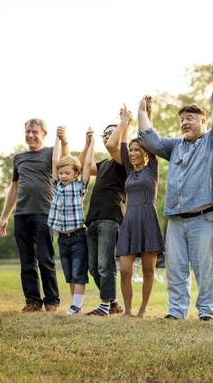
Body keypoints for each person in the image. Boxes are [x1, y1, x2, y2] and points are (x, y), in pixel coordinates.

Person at [140, 61, 213, 321]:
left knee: (206, 269)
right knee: (175, 269)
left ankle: (207, 313)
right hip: (176, 219)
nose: (184, 122)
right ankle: (177, 312)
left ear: (203, 121)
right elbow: (150, 140)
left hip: (205, 217)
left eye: (190, 118)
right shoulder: (176, 146)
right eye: (182, 119)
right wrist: (143, 112)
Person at [0, 120, 67, 312]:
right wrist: (4, 217)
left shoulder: (51, 152)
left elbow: (67, 164)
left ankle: (52, 301)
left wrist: (63, 140)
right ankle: (32, 302)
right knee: (27, 261)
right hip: (21, 214)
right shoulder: (19, 158)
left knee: (45, 259)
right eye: (27, 132)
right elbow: (13, 190)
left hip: (44, 213)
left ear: (44, 133)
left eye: (34, 132)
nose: (30, 136)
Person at [107, 100, 165, 318]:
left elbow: (150, 138)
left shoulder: (152, 169)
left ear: (146, 154)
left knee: (149, 270)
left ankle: (141, 310)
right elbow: (115, 146)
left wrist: (148, 113)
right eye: (130, 150)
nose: (132, 153)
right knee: (124, 270)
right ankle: (128, 309)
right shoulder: (130, 171)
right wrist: (124, 123)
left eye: (136, 150)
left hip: (148, 219)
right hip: (130, 220)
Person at [79, 123, 127, 316]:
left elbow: (114, 146)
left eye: (112, 133)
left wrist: (123, 125)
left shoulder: (122, 160)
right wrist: (88, 143)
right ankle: (113, 302)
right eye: (105, 134)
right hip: (93, 219)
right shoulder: (104, 163)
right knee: (93, 267)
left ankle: (104, 307)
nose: (108, 136)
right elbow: (81, 167)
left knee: (104, 264)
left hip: (110, 217)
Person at [47, 127, 94, 315]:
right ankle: (77, 305)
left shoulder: (79, 186)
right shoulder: (57, 185)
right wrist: (58, 139)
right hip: (62, 238)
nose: (63, 176)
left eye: (67, 173)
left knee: (78, 272)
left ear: (76, 174)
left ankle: (76, 305)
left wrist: (92, 143)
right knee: (69, 274)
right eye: (61, 173)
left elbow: (88, 162)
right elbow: (54, 160)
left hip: (78, 236)